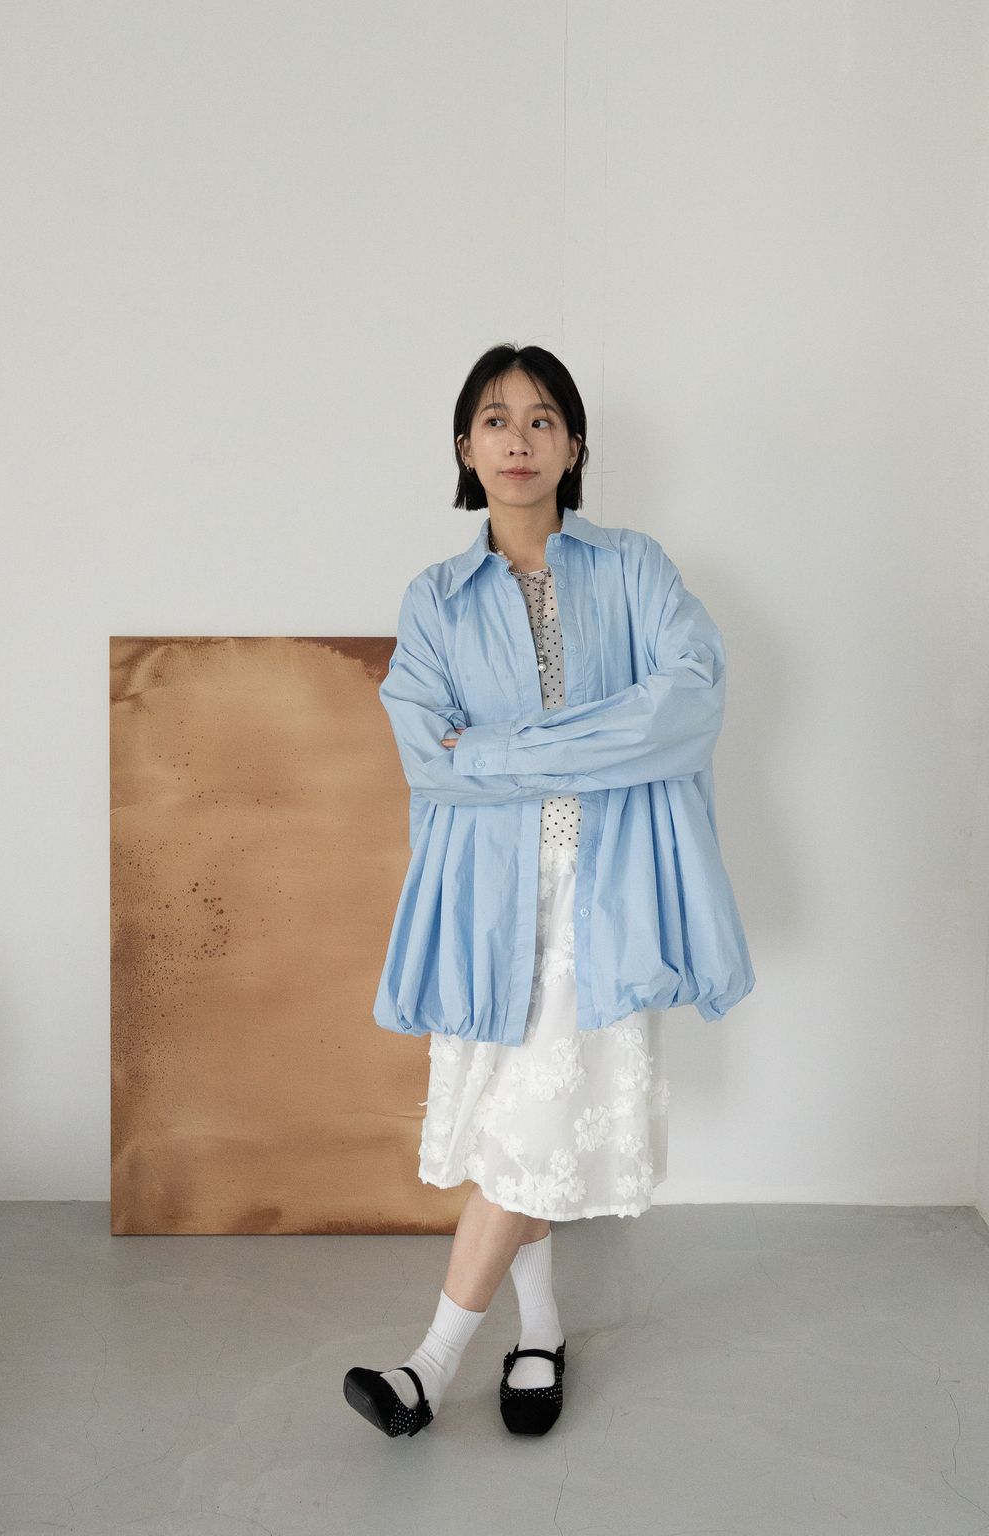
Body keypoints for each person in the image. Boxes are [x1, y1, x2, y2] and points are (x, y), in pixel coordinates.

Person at [344, 343, 753, 1440]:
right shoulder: (435, 598)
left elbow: (687, 705)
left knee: (529, 1124)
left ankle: (426, 1367)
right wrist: (599, 742)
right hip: (485, 901)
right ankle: (540, 1333)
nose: (518, 439)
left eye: (541, 420)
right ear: (464, 448)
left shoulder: (635, 570)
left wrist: (500, 747)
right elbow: (426, 757)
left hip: (604, 895)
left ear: (573, 446)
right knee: (510, 1131)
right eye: (494, 419)